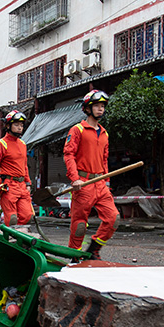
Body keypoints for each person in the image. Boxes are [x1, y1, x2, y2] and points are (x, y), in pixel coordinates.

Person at [63, 90, 119, 259]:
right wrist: (75, 179)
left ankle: (94, 249)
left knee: (113, 218)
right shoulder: (77, 129)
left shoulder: (104, 133)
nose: (100, 109)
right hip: (83, 183)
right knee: (79, 225)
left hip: (100, 183)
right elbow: (68, 155)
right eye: (96, 106)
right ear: (87, 108)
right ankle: (75, 257)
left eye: (102, 106)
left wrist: (107, 181)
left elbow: (104, 159)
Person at [0, 111, 34, 230]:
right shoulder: (1, 144)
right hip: (8, 186)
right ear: (8, 126)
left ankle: (19, 239)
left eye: (21, 125)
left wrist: (28, 182)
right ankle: (9, 240)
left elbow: (24, 166)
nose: (20, 128)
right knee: (12, 219)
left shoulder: (23, 144)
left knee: (27, 215)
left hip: (22, 186)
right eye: (17, 125)